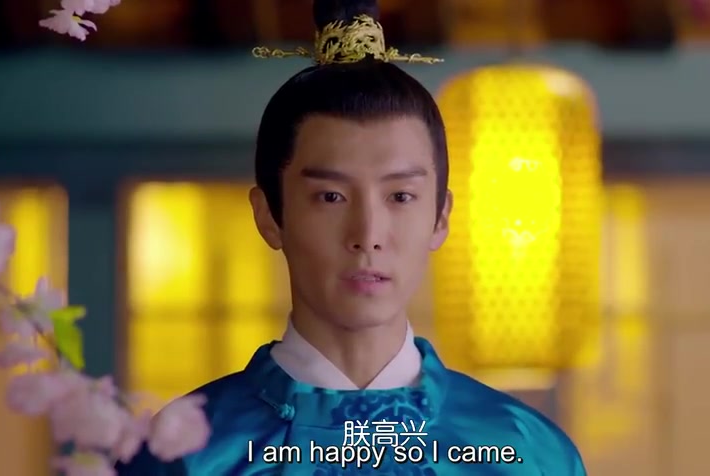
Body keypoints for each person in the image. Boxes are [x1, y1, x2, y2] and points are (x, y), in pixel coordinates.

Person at [118, 0, 586, 474]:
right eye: (331, 197)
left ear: (440, 217)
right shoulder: (185, 456)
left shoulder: (528, 454)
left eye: (400, 196)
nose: (367, 235)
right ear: (269, 216)